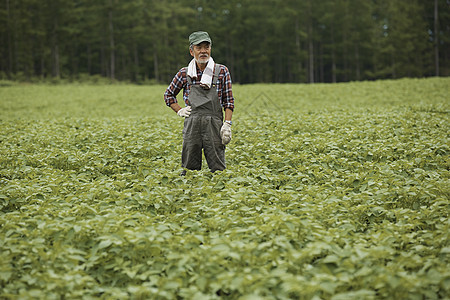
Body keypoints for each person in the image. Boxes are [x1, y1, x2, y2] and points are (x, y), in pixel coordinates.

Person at [164, 31, 235, 175]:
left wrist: (227, 124)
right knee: (189, 169)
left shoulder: (221, 71)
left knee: (218, 169)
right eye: (199, 47)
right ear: (192, 51)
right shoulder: (184, 73)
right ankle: (189, 194)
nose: (203, 51)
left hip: (214, 124)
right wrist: (179, 110)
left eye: (206, 47)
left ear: (210, 49)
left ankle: (219, 194)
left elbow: (228, 101)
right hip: (192, 124)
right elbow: (169, 95)